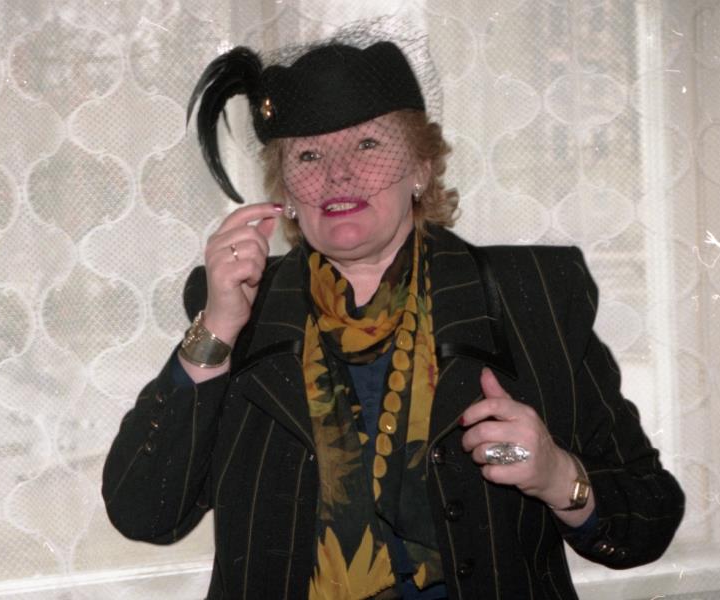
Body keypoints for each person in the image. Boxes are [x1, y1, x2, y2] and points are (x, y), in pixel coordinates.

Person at [103, 18, 684, 600]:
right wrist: (218, 327)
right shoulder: (240, 315)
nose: (338, 173)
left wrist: (558, 476)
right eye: (308, 155)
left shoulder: (530, 297)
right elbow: (144, 512)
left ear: (421, 169)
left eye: (368, 145)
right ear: (285, 194)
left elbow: (648, 518)